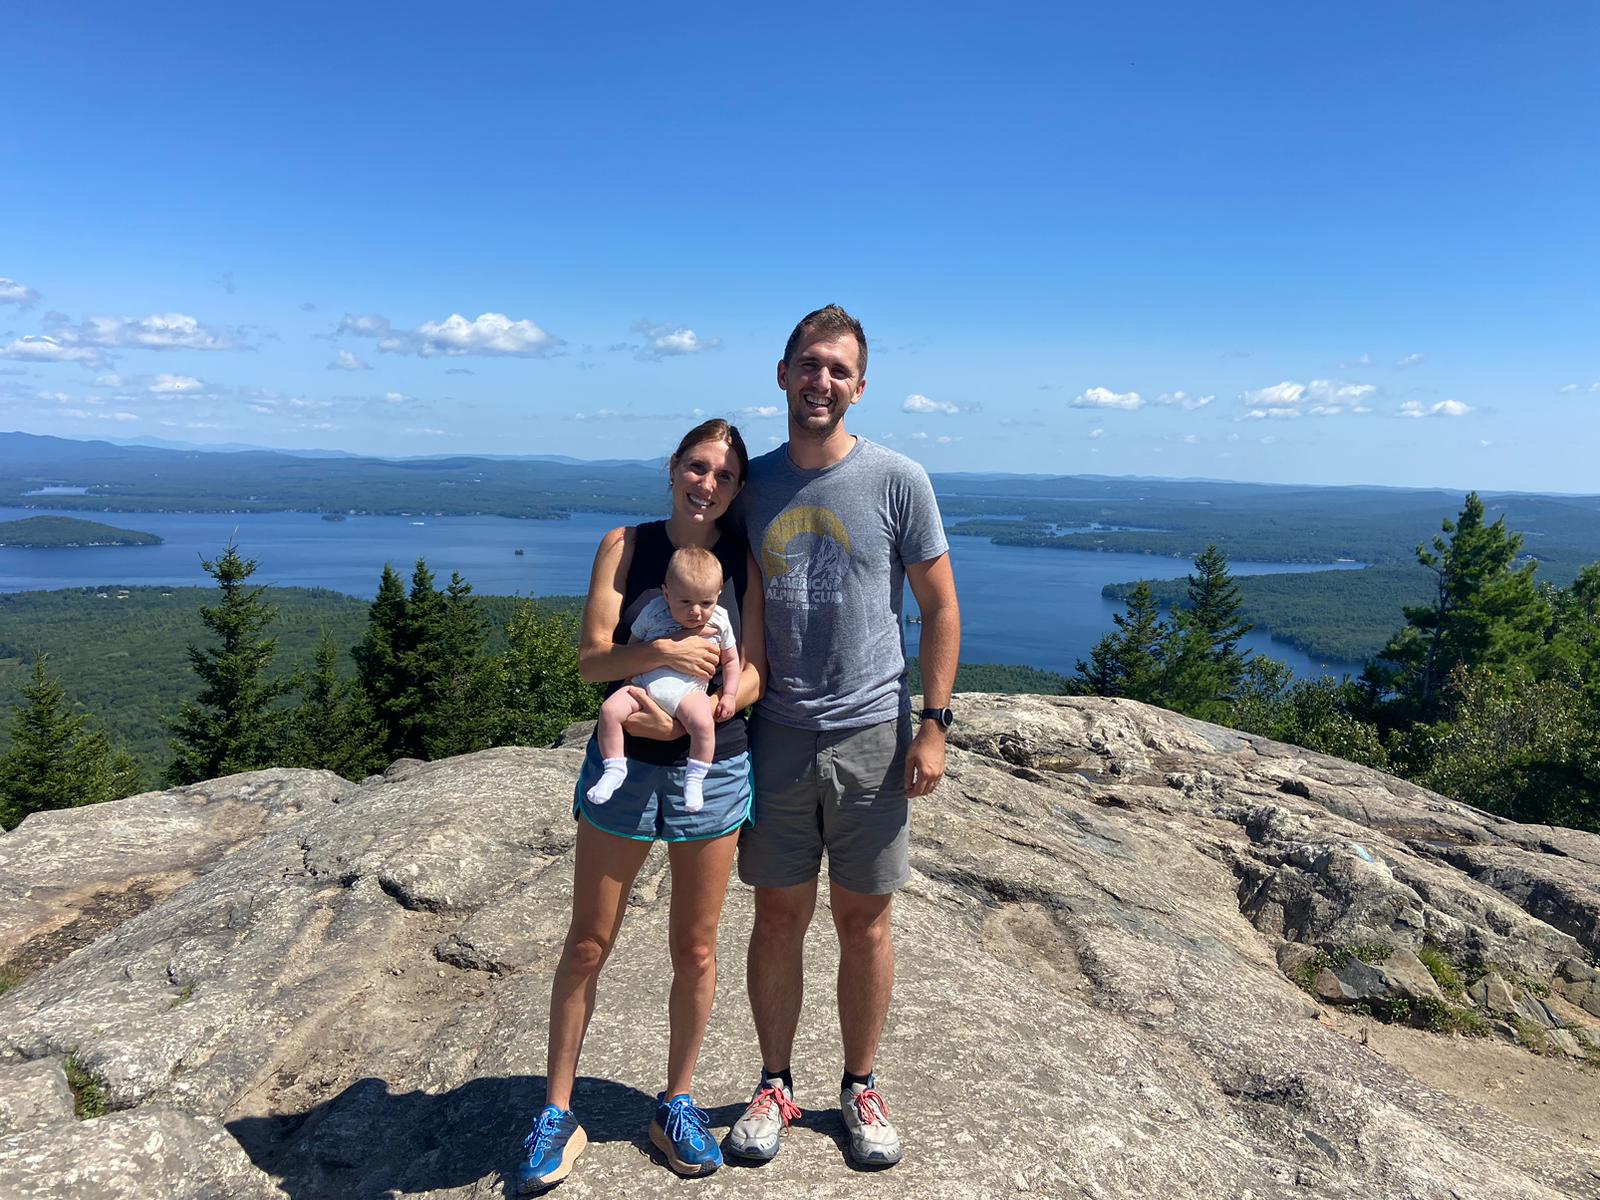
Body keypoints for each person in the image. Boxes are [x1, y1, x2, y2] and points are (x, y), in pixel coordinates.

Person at [727, 305, 960, 1168]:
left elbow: (939, 606)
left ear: (858, 388)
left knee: (865, 919)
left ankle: (859, 1083)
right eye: (808, 365)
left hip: (871, 732)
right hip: (778, 732)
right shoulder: (752, 490)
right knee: (778, 914)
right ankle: (775, 1081)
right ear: (782, 373)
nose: (821, 381)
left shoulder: (899, 480)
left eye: (838, 369)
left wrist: (932, 726)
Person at [515, 419, 764, 1193]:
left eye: (724, 476)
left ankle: (677, 1102)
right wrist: (659, 656)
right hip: (625, 772)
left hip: (710, 766)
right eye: (697, 467)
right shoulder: (625, 544)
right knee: (588, 941)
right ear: (673, 469)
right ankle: (558, 1110)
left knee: (695, 948)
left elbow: (752, 669)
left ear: (737, 489)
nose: (707, 484)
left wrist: (711, 712)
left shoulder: (742, 560)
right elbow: (594, 659)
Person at [585, 546, 740, 814]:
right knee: (610, 710)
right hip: (643, 684)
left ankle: (694, 778)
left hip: (689, 691)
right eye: (684, 602)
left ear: (718, 595)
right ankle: (614, 767)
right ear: (666, 593)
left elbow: (732, 661)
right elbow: (632, 649)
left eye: (705, 602)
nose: (695, 611)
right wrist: (628, 681)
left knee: (703, 723)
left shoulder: (720, 619)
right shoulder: (653, 612)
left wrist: (728, 695)